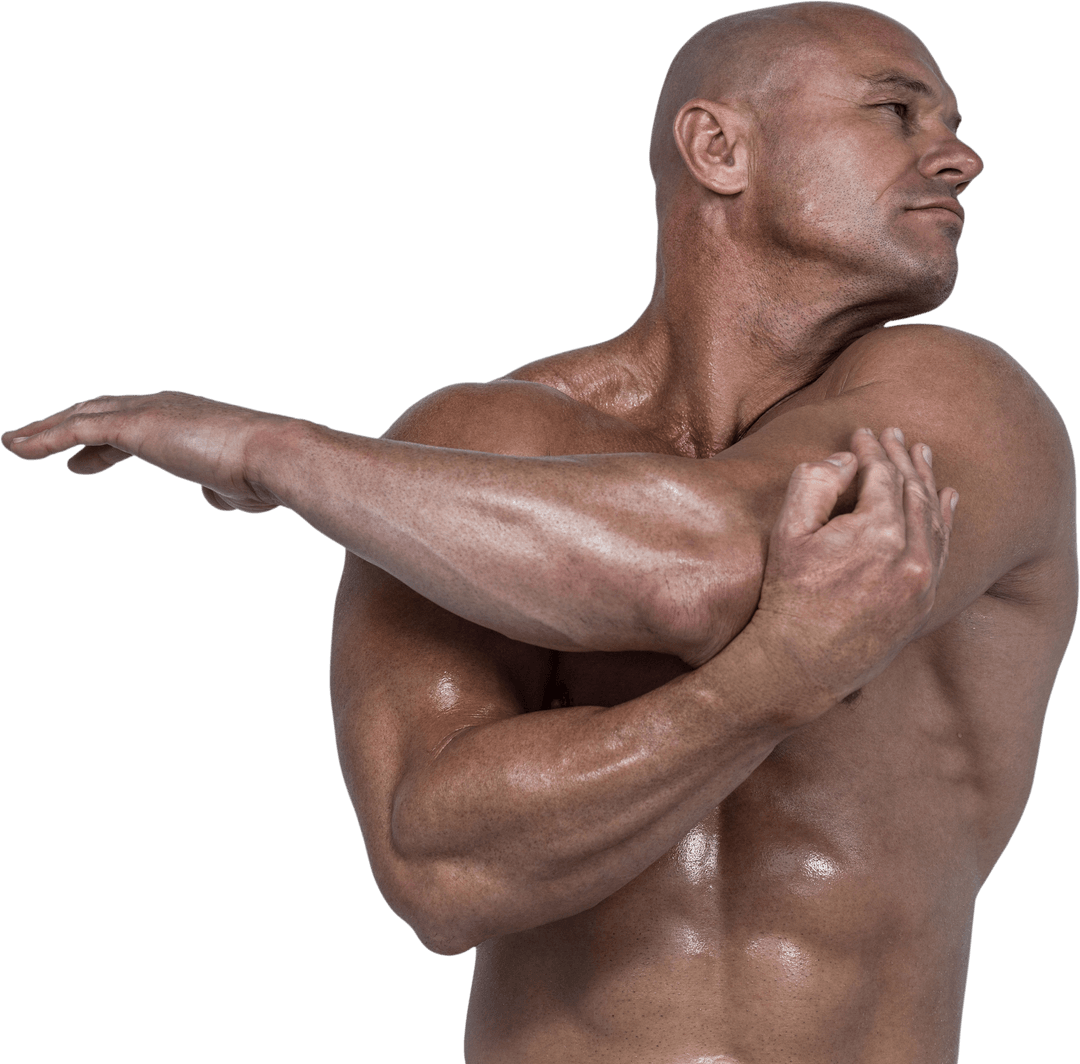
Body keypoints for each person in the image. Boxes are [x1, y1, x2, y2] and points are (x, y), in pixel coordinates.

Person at [4, 3, 1075, 1061]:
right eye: (899, 111)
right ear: (720, 148)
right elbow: (441, 869)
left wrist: (276, 455)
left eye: (953, 124)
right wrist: (762, 692)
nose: (963, 158)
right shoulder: (479, 447)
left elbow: (711, 570)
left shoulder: (967, 404)